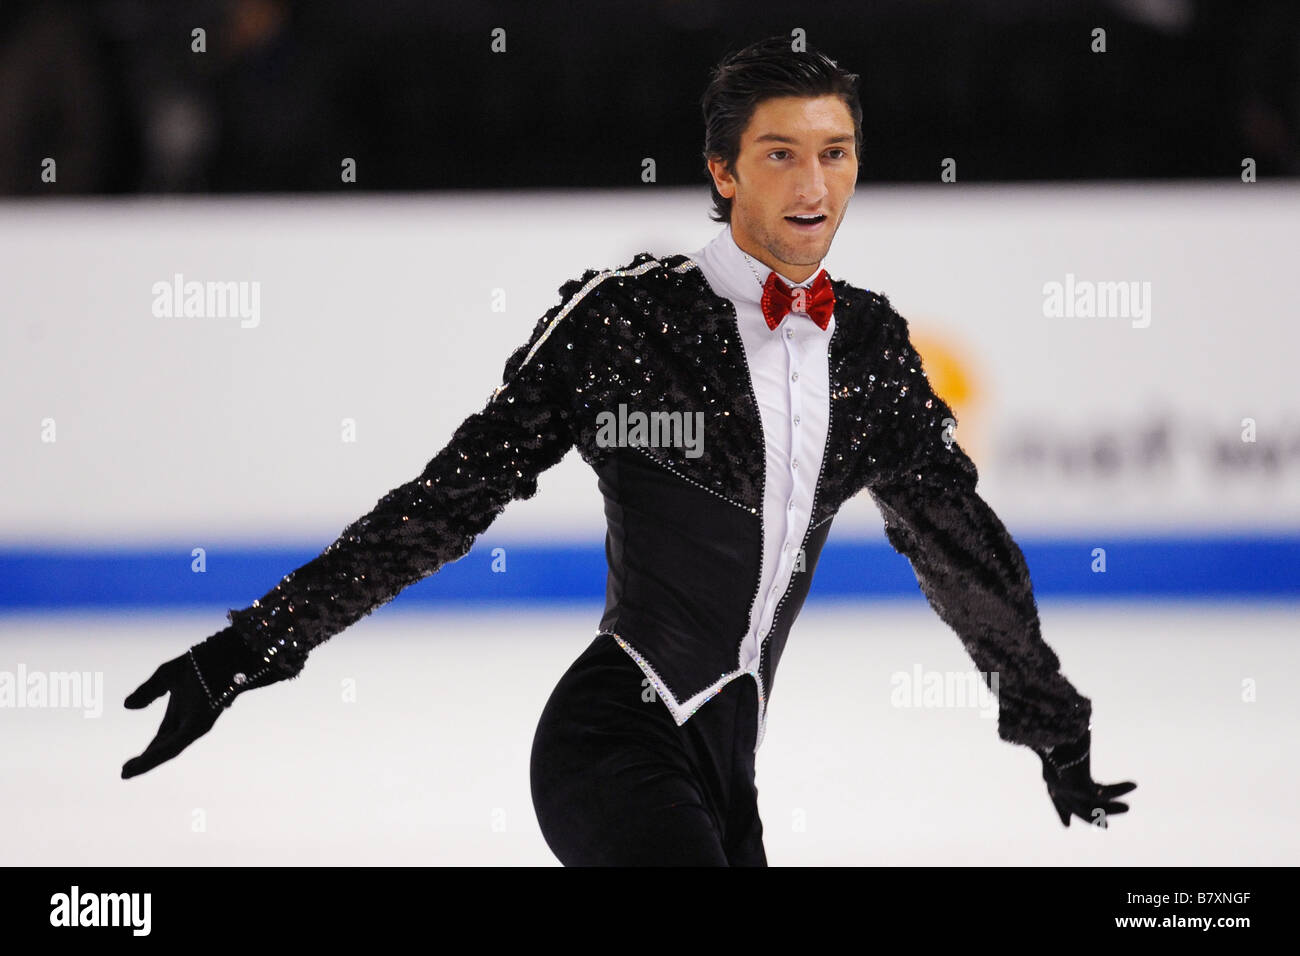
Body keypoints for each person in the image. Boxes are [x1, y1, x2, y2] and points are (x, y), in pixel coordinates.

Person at [122, 36, 1136, 864]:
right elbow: (443, 504)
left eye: (835, 151)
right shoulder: (627, 321)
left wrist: (1049, 719)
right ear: (722, 168)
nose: (814, 182)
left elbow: (959, 544)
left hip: (725, 779)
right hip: (610, 743)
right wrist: (246, 646)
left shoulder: (867, 344)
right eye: (780, 151)